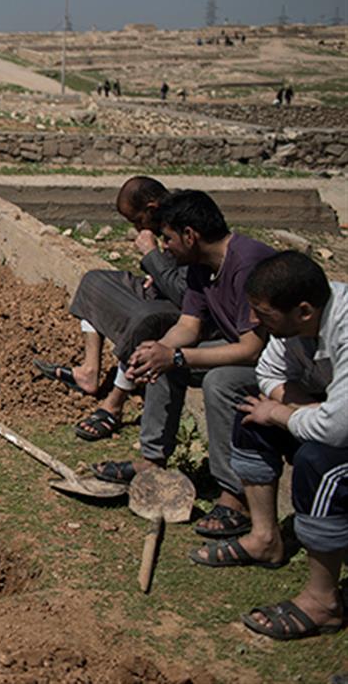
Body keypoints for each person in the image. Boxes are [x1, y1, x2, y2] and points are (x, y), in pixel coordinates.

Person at [190, 252, 346, 641]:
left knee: (318, 463)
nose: (255, 322)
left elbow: (338, 430)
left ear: (305, 311)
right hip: (330, 416)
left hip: (340, 433)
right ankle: (265, 539)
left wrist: (283, 413)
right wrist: (297, 407)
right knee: (252, 417)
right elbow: (268, 372)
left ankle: (323, 602)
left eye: (264, 313)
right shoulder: (291, 329)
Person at [90, 191, 276, 511]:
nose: (163, 247)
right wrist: (158, 350)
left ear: (190, 236)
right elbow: (189, 326)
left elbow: (252, 349)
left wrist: (176, 356)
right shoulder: (199, 266)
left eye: (168, 238)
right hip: (242, 350)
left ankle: (235, 496)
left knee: (218, 383)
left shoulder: (248, 264)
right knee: (160, 358)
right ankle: (152, 460)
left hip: (276, 362)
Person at [34, 177, 185, 442]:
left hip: (184, 308)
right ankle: (88, 372)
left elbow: (186, 292)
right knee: (95, 282)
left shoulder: (184, 223)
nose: (138, 228)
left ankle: (114, 404)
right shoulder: (165, 221)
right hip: (160, 291)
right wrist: (156, 270)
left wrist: (151, 254)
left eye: (138, 221)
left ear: (152, 207)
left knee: (144, 319)